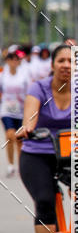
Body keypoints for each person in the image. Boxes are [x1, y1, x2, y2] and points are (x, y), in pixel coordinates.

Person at [17, 44, 72, 233]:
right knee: (45, 199)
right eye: (61, 61)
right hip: (36, 153)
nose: (66, 66)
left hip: (71, 154)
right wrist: (28, 127)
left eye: (71, 61)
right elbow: (30, 115)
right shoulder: (38, 88)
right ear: (52, 65)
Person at [0, 47, 30, 177]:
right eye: (11, 59)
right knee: (9, 135)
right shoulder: (2, 76)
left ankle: (20, 166)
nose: (13, 61)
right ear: (7, 61)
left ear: (19, 61)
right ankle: (10, 165)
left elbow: (30, 93)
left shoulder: (24, 76)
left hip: (20, 110)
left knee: (19, 140)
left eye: (16, 59)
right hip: (6, 110)